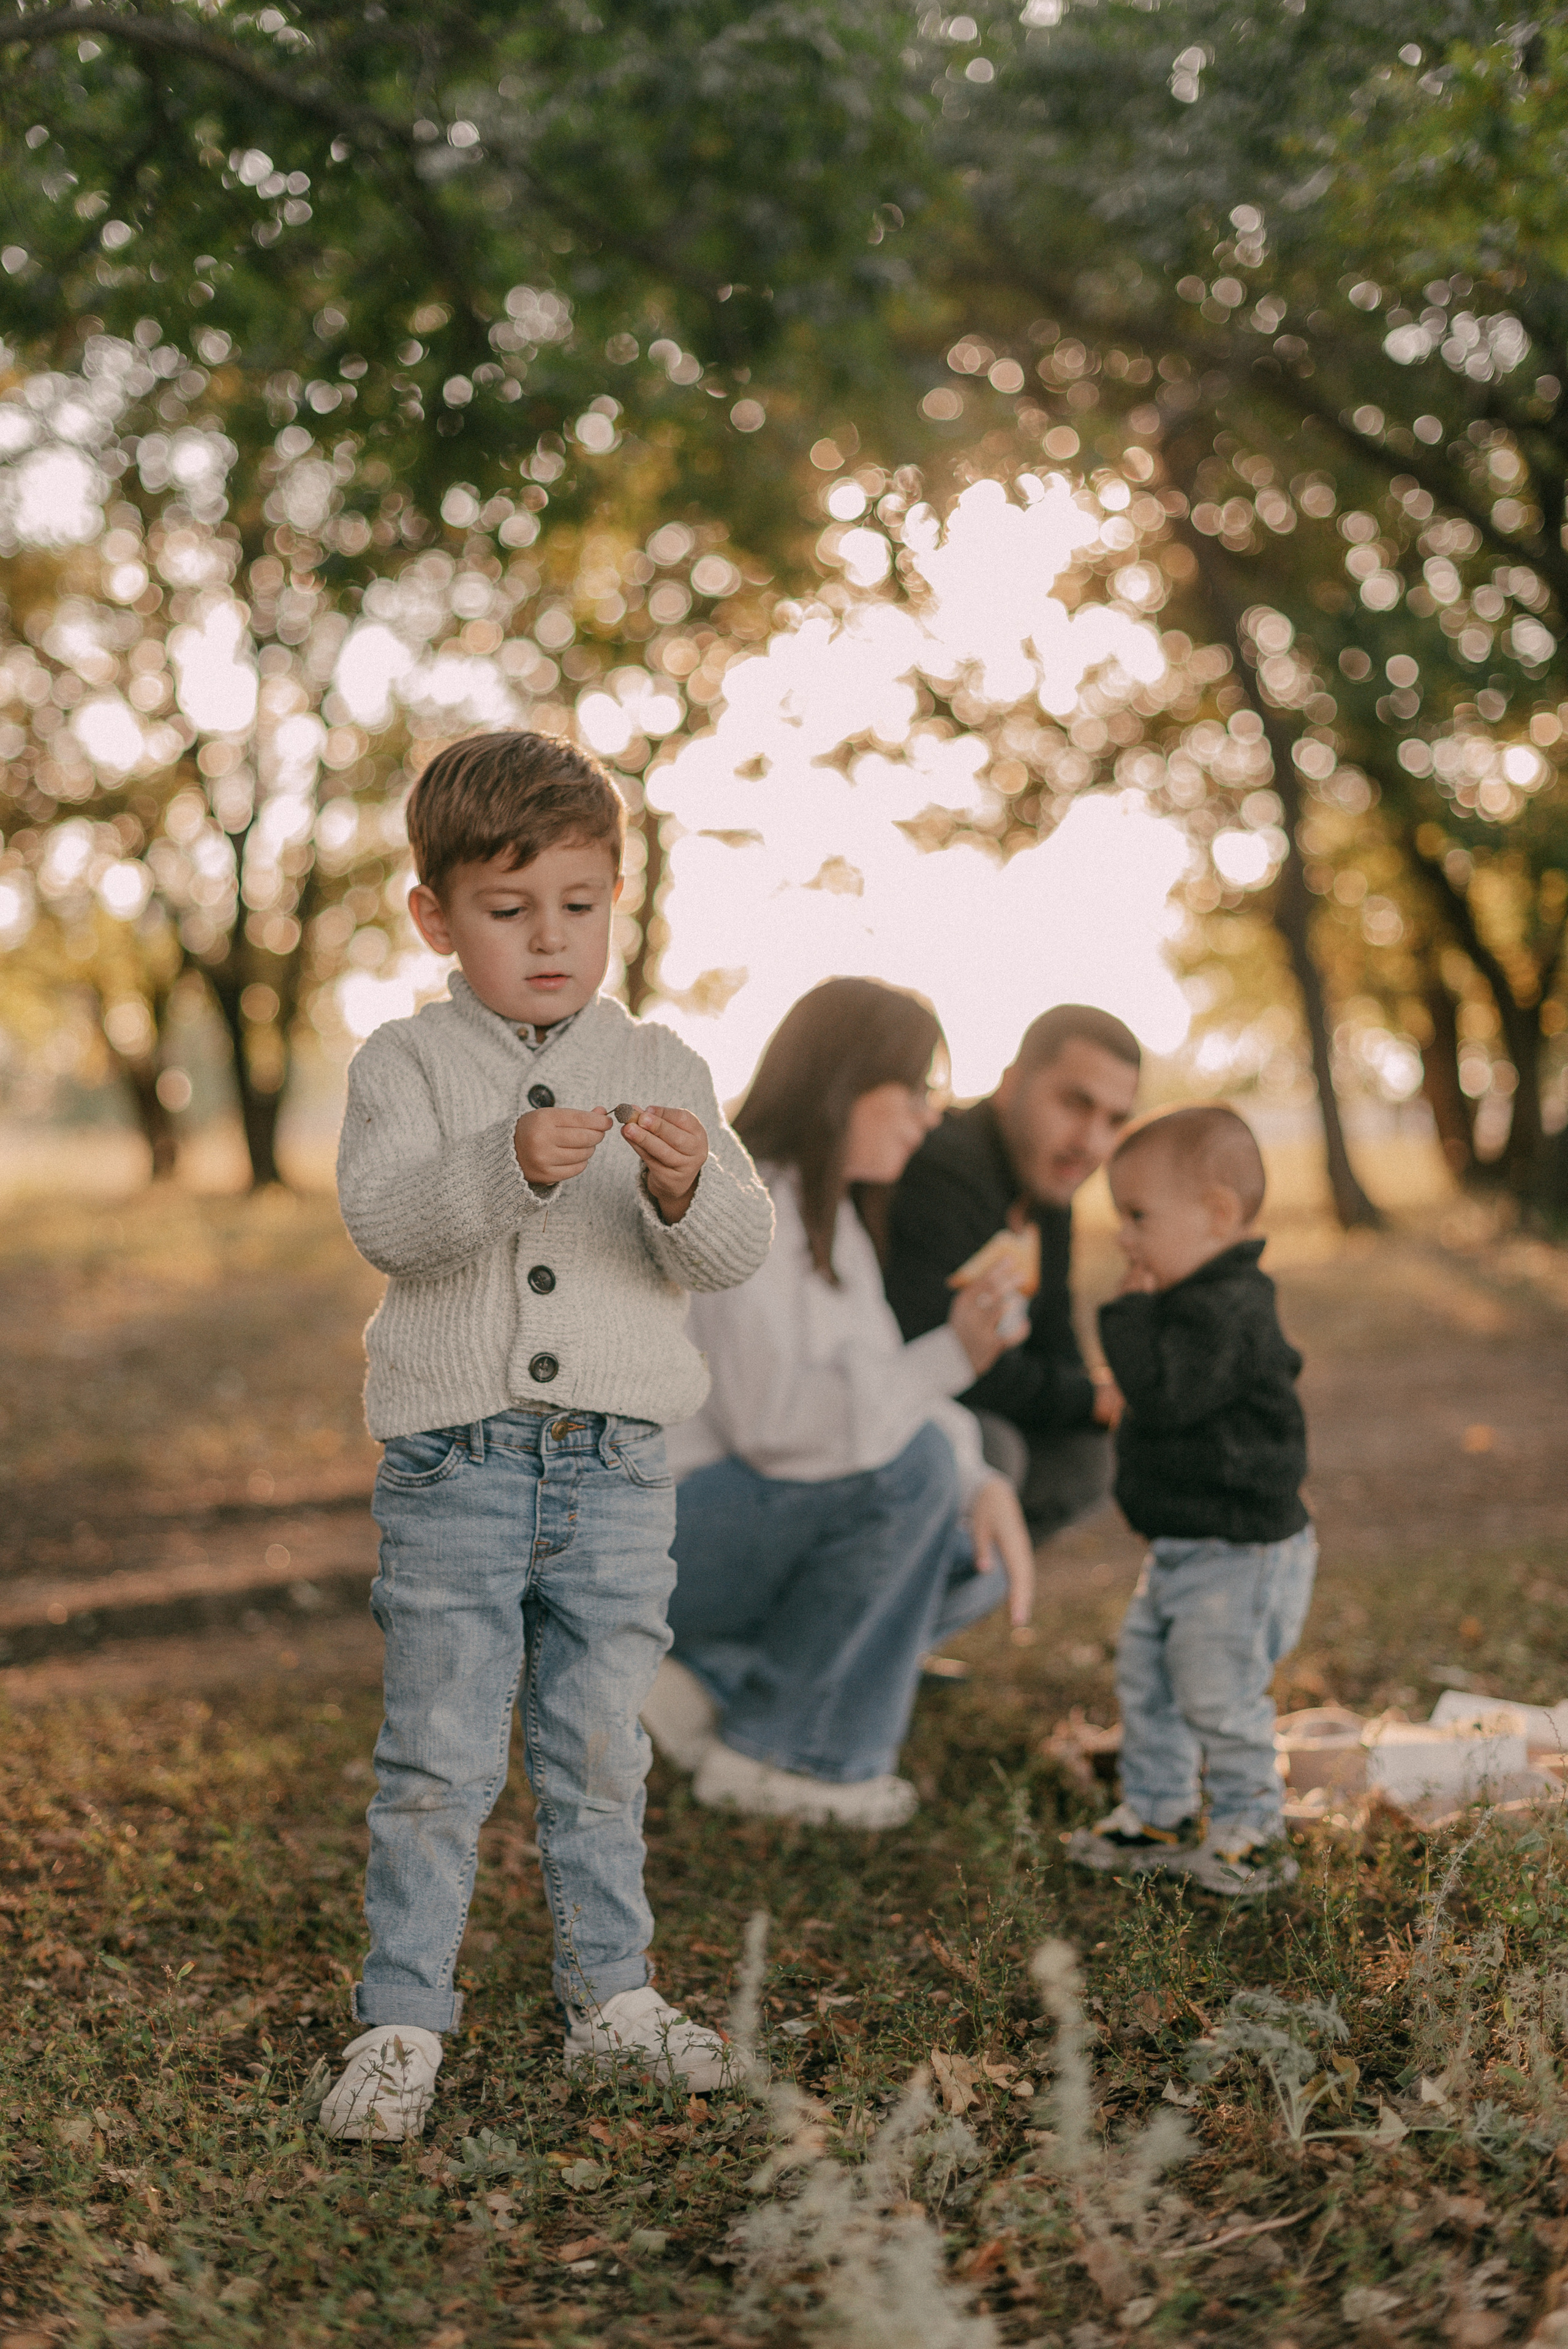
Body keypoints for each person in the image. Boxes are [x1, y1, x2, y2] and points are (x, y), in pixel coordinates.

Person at [317, 731, 774, 2142]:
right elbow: (386, 1221)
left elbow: (734, 1250)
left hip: (617, 1468)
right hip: (456, 1460)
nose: (549, 938)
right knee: (441, 1749)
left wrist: (690, 1184)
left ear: (616, 898)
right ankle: (402, 2016)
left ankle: (612, 1997)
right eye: (510, 911)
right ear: (436, 916)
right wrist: (501, 1165)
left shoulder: (662, 1060)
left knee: (594, 1742)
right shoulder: (406, 1061)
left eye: (579, 903)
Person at [643, 978, 1035, 1829]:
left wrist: (980, 1482)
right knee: (917, 1474)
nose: (929, 1115)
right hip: (657, 1533)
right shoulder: (741, 1209)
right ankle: (789, 1753)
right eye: (916, 1088)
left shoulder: (835, 1220)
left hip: (737, 1527)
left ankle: (707, 1679)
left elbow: (878, 1384)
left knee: (974, 1533)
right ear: (845, 1083)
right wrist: (953, 1357)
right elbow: (780, 1428)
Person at [1066, 1105, 1315, 1901]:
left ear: (1216, 1213)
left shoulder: (1230, 1307)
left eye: (1138, 1216)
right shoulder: (1192, 1299)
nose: (1123, 1237)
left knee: (1217, 1692)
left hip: (1239, 1552)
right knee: (1149, 1679)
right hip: (1185, 1546)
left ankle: (1253, 1829)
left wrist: (1127, 1316)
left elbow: (1166, 1395)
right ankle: (1161, 1809)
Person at [884, 1004, 1140, 1537]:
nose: (1091, 1142)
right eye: (1075, 1103)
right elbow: (953, 1360)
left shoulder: (1047, 1190)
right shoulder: (943, 1169)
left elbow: (1055, 1340)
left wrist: (1111, 1397)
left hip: (962, 1409)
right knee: (995, 1448)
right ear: (1010, 1085)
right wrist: (1092, 1397)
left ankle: (948, 1600)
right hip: (886, 1415)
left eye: (1115, 1121)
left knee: (1090, 1456)